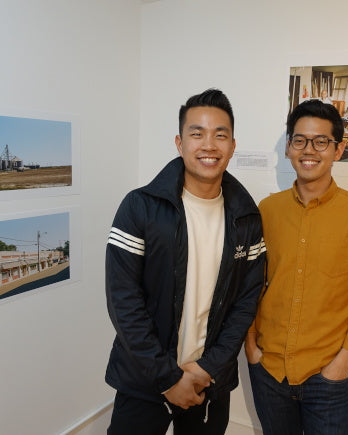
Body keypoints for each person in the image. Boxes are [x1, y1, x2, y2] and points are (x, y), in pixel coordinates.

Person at [105, 88, 266, 435]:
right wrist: (168, 378)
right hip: (144, 378)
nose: (209, 145)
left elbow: (246, 302)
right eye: (197, 133)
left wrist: (206, 369)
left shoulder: (247, 218)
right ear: (180, 143)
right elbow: (124, 302)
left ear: (232, 146)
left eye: (220, 135)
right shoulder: (140, 208)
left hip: (209, 380)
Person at [245, 99, 348, 435]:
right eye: (300, 140)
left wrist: (345, 360)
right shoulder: (267, 210)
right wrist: (251, 346)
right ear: (289, 148)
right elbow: (250, 286)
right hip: (268, 370)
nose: (309, 150)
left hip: (328, 375)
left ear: (337, 150)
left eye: (321, 141)